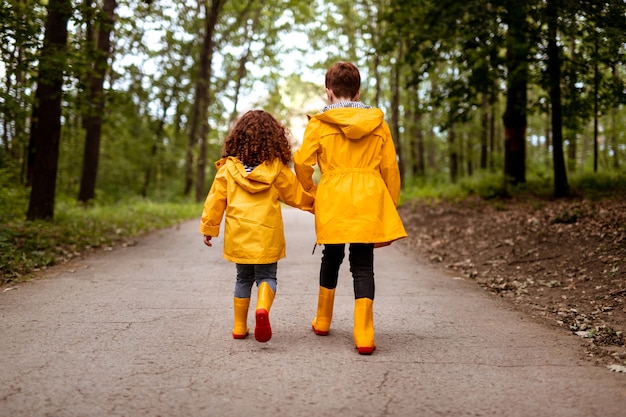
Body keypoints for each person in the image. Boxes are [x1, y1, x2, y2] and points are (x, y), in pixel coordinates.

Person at [294, 62, 407, 355]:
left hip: (333, 197)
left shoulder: (319, 124)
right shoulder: (378, 124)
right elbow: (390, 169)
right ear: (358, 92)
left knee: (331, 256)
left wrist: (311, 195)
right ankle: (365, 335)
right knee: (362, 263)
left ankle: (322, 320)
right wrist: (389, 203)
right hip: (369, 197)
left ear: (328, 92)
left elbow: (302, 163)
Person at [200, 110, 314, 343]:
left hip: (239, 235)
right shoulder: (276, 169)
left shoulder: (227, 170)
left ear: (237, 138)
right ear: (274, 139)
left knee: (242, 279)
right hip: (266, 234)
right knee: (267, 276)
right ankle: (262, 307)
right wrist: (317, 205)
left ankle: (239, 327)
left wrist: (209, 228)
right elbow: (295, 195)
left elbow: (215, 201)